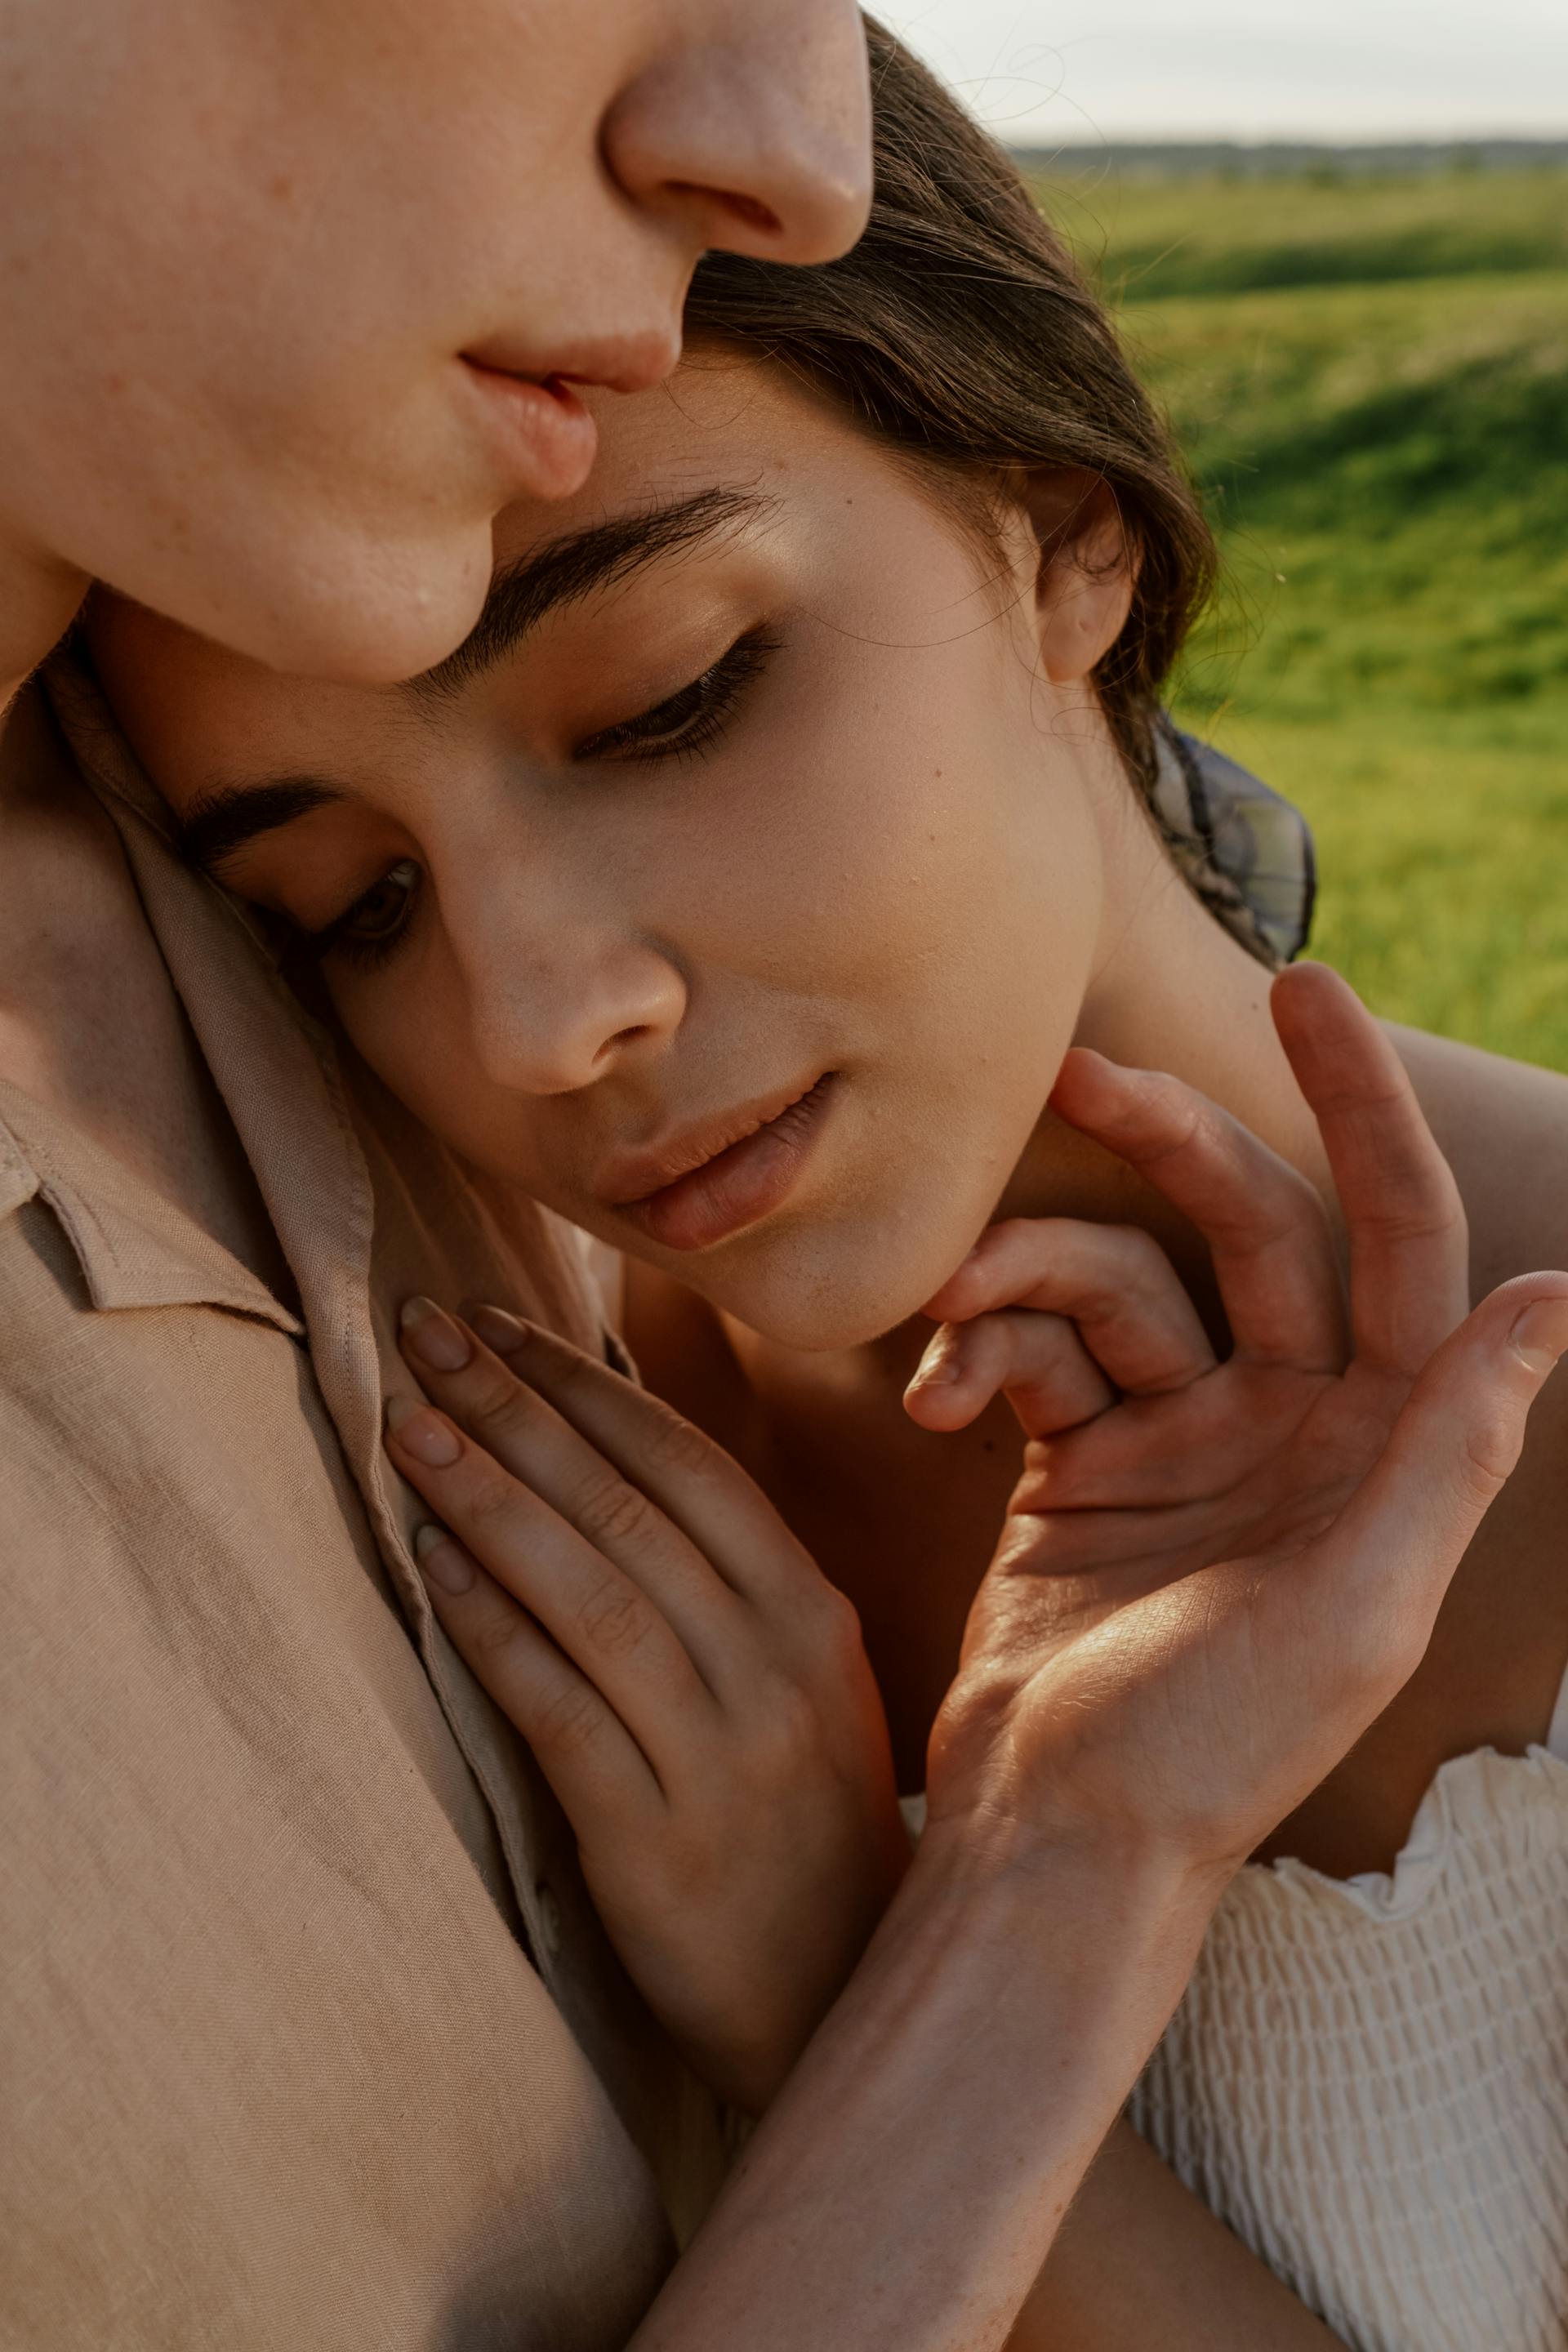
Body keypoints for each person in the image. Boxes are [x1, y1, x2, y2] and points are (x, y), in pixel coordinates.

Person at [74, 24, 1568, 2350]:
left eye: (673, 696)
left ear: (1068, 527)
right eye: (348, 911)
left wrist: (840, 1986)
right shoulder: (547, 1465)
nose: (534, 1017)